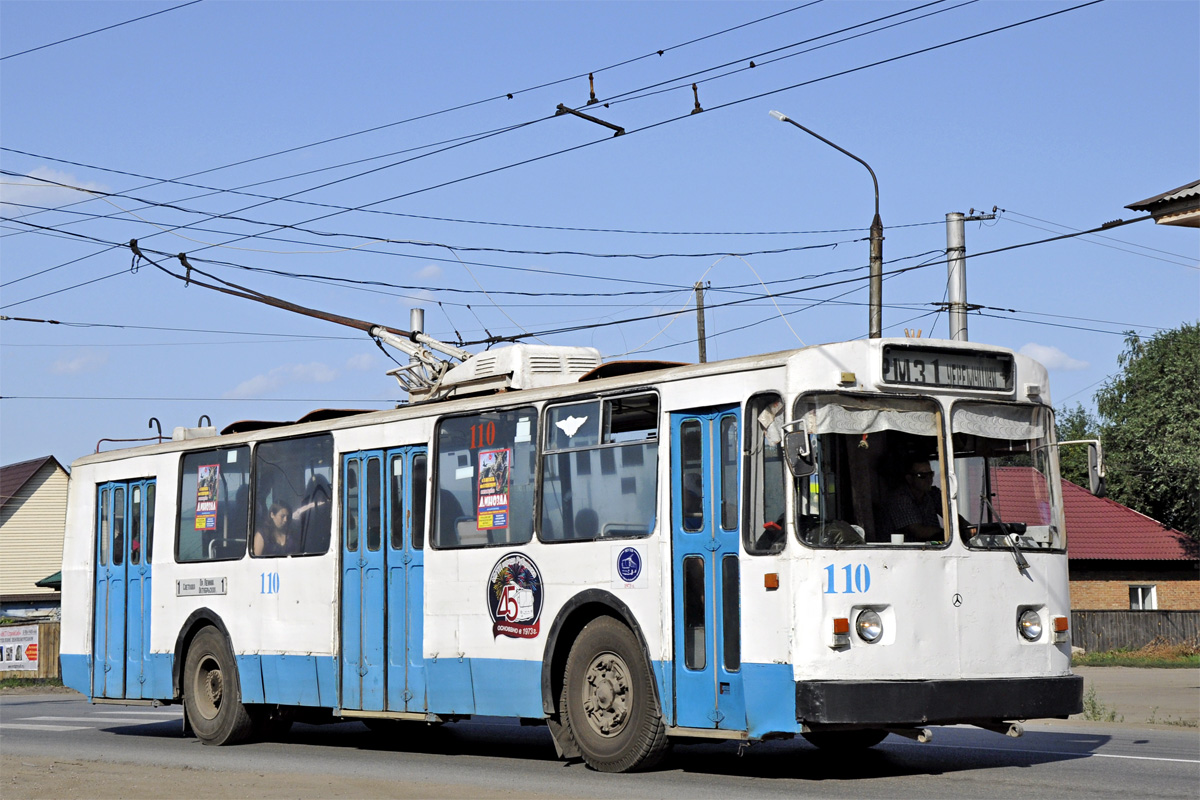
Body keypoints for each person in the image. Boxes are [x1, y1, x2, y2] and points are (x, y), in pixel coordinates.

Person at [883, 459, 943, 542]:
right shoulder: (900, 499)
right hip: (907, 552)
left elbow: (951, 514)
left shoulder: (932, 494)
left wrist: (964, 528)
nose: (929, 479)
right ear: (909, 479)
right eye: (921, 475)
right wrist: (948, 533)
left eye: (930, 474)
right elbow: (919, 531)